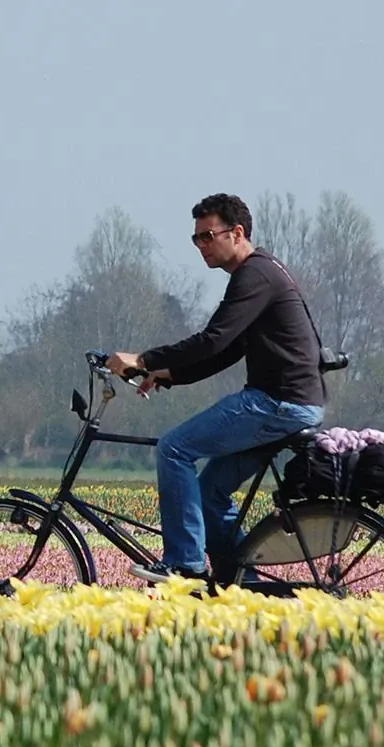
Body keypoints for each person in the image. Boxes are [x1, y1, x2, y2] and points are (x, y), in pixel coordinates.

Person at [105, 193, 326, 583]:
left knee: (174, 448)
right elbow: (227, 351)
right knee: (208, 495)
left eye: (208, 236)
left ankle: (185, 563)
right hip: (290, 403)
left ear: (237, 233)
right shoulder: (261, 273)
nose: (201, 246)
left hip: (278, 403)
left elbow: (213, 340)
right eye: (196, 239)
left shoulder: (254, 275)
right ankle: (245, 586)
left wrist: (143, 359)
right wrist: (170, 373)